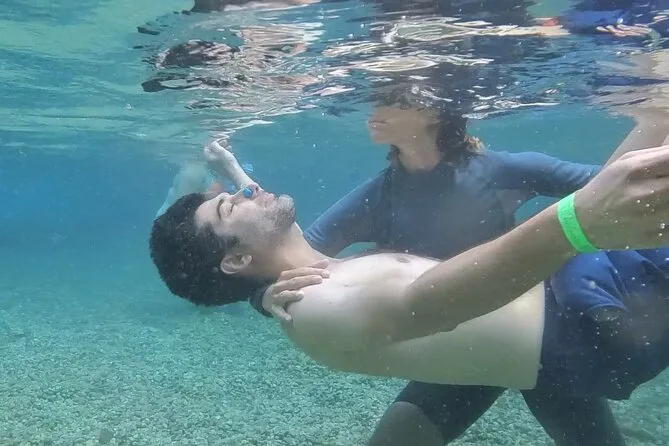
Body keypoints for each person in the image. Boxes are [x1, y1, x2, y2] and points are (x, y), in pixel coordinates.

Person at [148, 139, 669, 446]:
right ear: (236, 260)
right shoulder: (319, 305)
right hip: (595, 319)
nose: (247, 192)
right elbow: (449, 300)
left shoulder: (308, 274)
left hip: (572, 310)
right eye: (230, 206)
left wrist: (234, 178)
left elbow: (262, 245)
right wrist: (575, 222)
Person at [245, 82, 627, 446]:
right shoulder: (379, 196)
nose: (372, 110)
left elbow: (613, 186)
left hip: (539, 339)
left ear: (432, 111)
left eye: (389, 99)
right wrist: (264, 296)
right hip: (464, 349)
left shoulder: (500, 170)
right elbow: (290, 255)